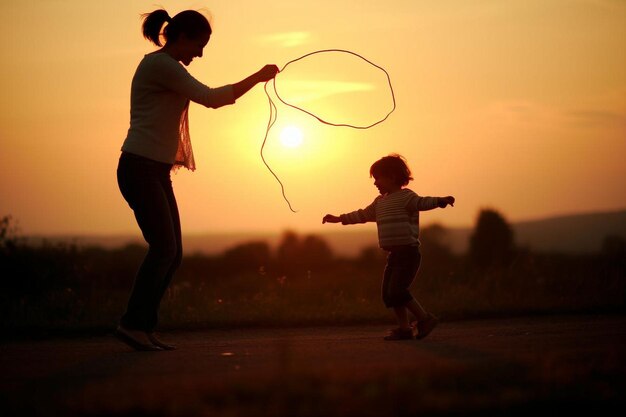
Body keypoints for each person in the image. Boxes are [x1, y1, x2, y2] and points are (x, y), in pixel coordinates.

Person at [115, 8, 279, 351]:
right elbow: (212, 99)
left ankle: (141, 327)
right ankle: (133, 324)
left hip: (154, 170)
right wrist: (258, 77)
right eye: (199, 45)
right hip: (139, 168)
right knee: (164, 250)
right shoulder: (160, 66)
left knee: (171, 253)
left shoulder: (167, 68)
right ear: (183, 37)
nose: (200, 54)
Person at [322, 154, 455, 340]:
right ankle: (405, 329)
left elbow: (422, 202)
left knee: (398, 291)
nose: (375, 183)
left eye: (377, 178)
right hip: (394, 255)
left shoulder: (406, 197)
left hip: (408, 253)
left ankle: (425, 319)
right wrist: (339, 218)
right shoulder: (379, 202)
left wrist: (439, 201)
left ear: (391, 177)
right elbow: (362, 215)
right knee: (390, 294)